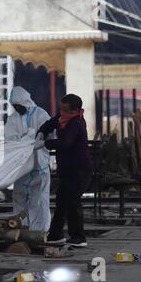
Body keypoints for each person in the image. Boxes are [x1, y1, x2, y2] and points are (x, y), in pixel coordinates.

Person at [36, 94, 93, 248]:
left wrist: (45, 143)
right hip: (68, 170)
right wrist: (41, 132)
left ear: (75, 110)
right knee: (61, 202)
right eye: (60, 109)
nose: (61, 112)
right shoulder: (63, 118)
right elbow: (50, 124)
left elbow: (65, 143)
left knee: (73, 203)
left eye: (65, 110)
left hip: (79, 170)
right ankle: (55, 235)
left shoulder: (76, 123)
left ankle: (78, 237)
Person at [5, 87, 51, 232]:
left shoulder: (41, 114)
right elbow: (9, 138)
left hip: (39, 164)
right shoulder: (13, 119)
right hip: (21, 167)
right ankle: (22, 228)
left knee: (39, 199)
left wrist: (35, 140)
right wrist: (23, 140)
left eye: (18, 105)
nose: (17, 108)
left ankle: (40, 231)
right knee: (19, 196)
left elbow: (49, 134)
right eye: (14, 106)